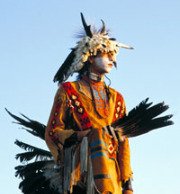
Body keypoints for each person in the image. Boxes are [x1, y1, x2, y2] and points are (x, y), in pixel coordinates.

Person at [45, 13, 133, 194]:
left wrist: (128, 186)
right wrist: (84, 134)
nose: (111, 59)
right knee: (98, 135)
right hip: (81, 169)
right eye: (106, 53)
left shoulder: (118, 99)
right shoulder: (69, 91)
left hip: (113, 174)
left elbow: (123, 144)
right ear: (90, 56)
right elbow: (53, 132)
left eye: (113, 54)